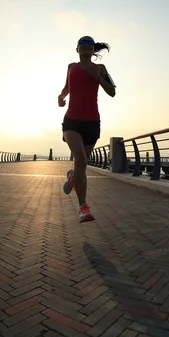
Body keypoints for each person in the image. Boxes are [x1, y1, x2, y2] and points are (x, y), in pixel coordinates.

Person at [58, 35, 116, 222]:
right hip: (72, 121)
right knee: (81, 158)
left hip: (92, 123)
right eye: (82, 44)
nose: (85, 46)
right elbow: (67, 87)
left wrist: (97, 77)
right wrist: (60, 96)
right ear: (77, 50)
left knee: (81, 165)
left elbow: (112, 91)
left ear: (93, 50)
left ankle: (73, 176)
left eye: (89, 44)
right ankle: (83, 207)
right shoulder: (71, 67)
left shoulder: (100, 68)